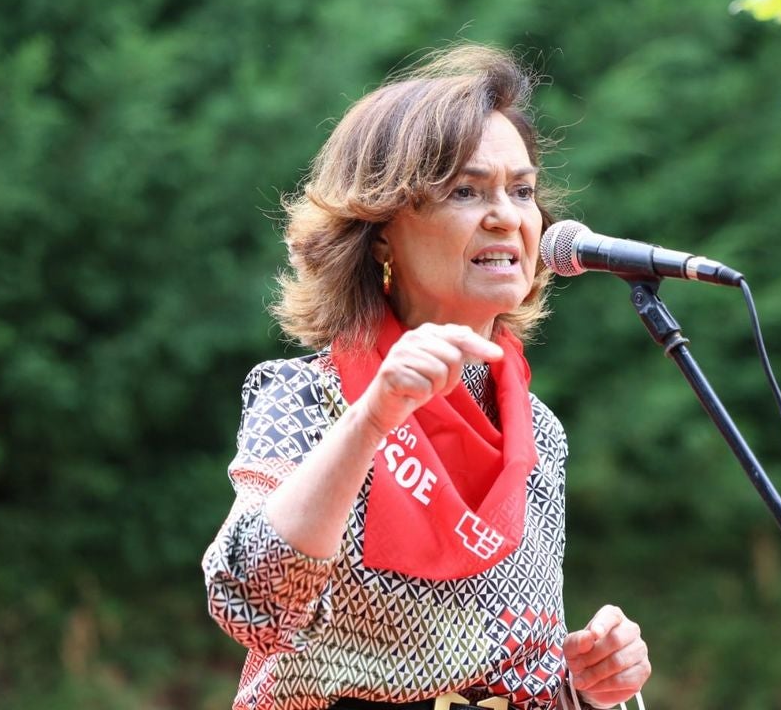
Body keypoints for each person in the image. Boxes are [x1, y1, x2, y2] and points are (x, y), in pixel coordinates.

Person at [202, 44, 651, 710]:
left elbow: (518, 678)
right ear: (381, 231)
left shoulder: (539, 434)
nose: (507, 214)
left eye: (521, 190)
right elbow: (252, 602)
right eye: (466, 191)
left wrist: (588, 685)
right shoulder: (303, 397)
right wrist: (373, 418)